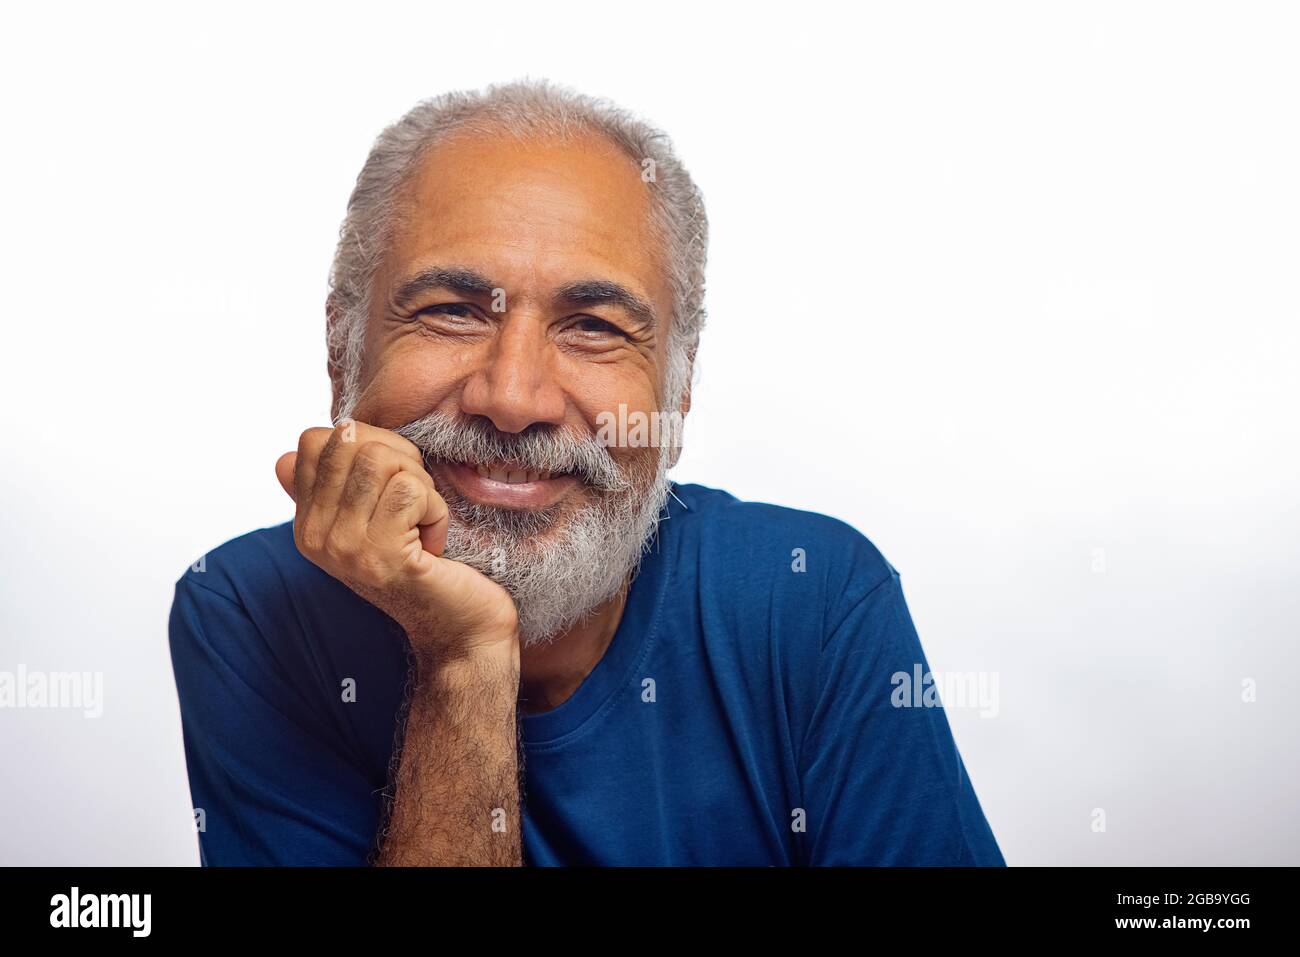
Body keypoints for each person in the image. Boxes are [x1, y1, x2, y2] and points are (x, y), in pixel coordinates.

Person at [168, 79, 1005, 866]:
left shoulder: (813, 599)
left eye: (594, 326)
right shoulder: (249, 610)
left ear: (677, 390)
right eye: (452, 312)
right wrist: (463, 656)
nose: (512, 398)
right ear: (340, 346)